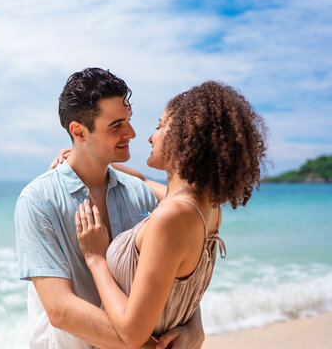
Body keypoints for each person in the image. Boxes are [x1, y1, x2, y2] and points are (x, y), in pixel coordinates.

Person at [15, 68, 205, 349]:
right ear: (79, 132)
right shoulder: (39, 200)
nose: (131, 133)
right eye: (116, 126)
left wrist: (193, 327)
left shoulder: (140, 193)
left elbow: (175, 273)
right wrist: (148, 347)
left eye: (128, 121)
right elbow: (60, 309)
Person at [74, 81, 267, 348]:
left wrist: (95, 258)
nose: (150, 137)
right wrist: (80, 155)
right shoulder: (206, 208)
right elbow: (141, 179)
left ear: (186, 135)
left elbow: (132, 334)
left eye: (159, 126)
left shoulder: (173, 218)